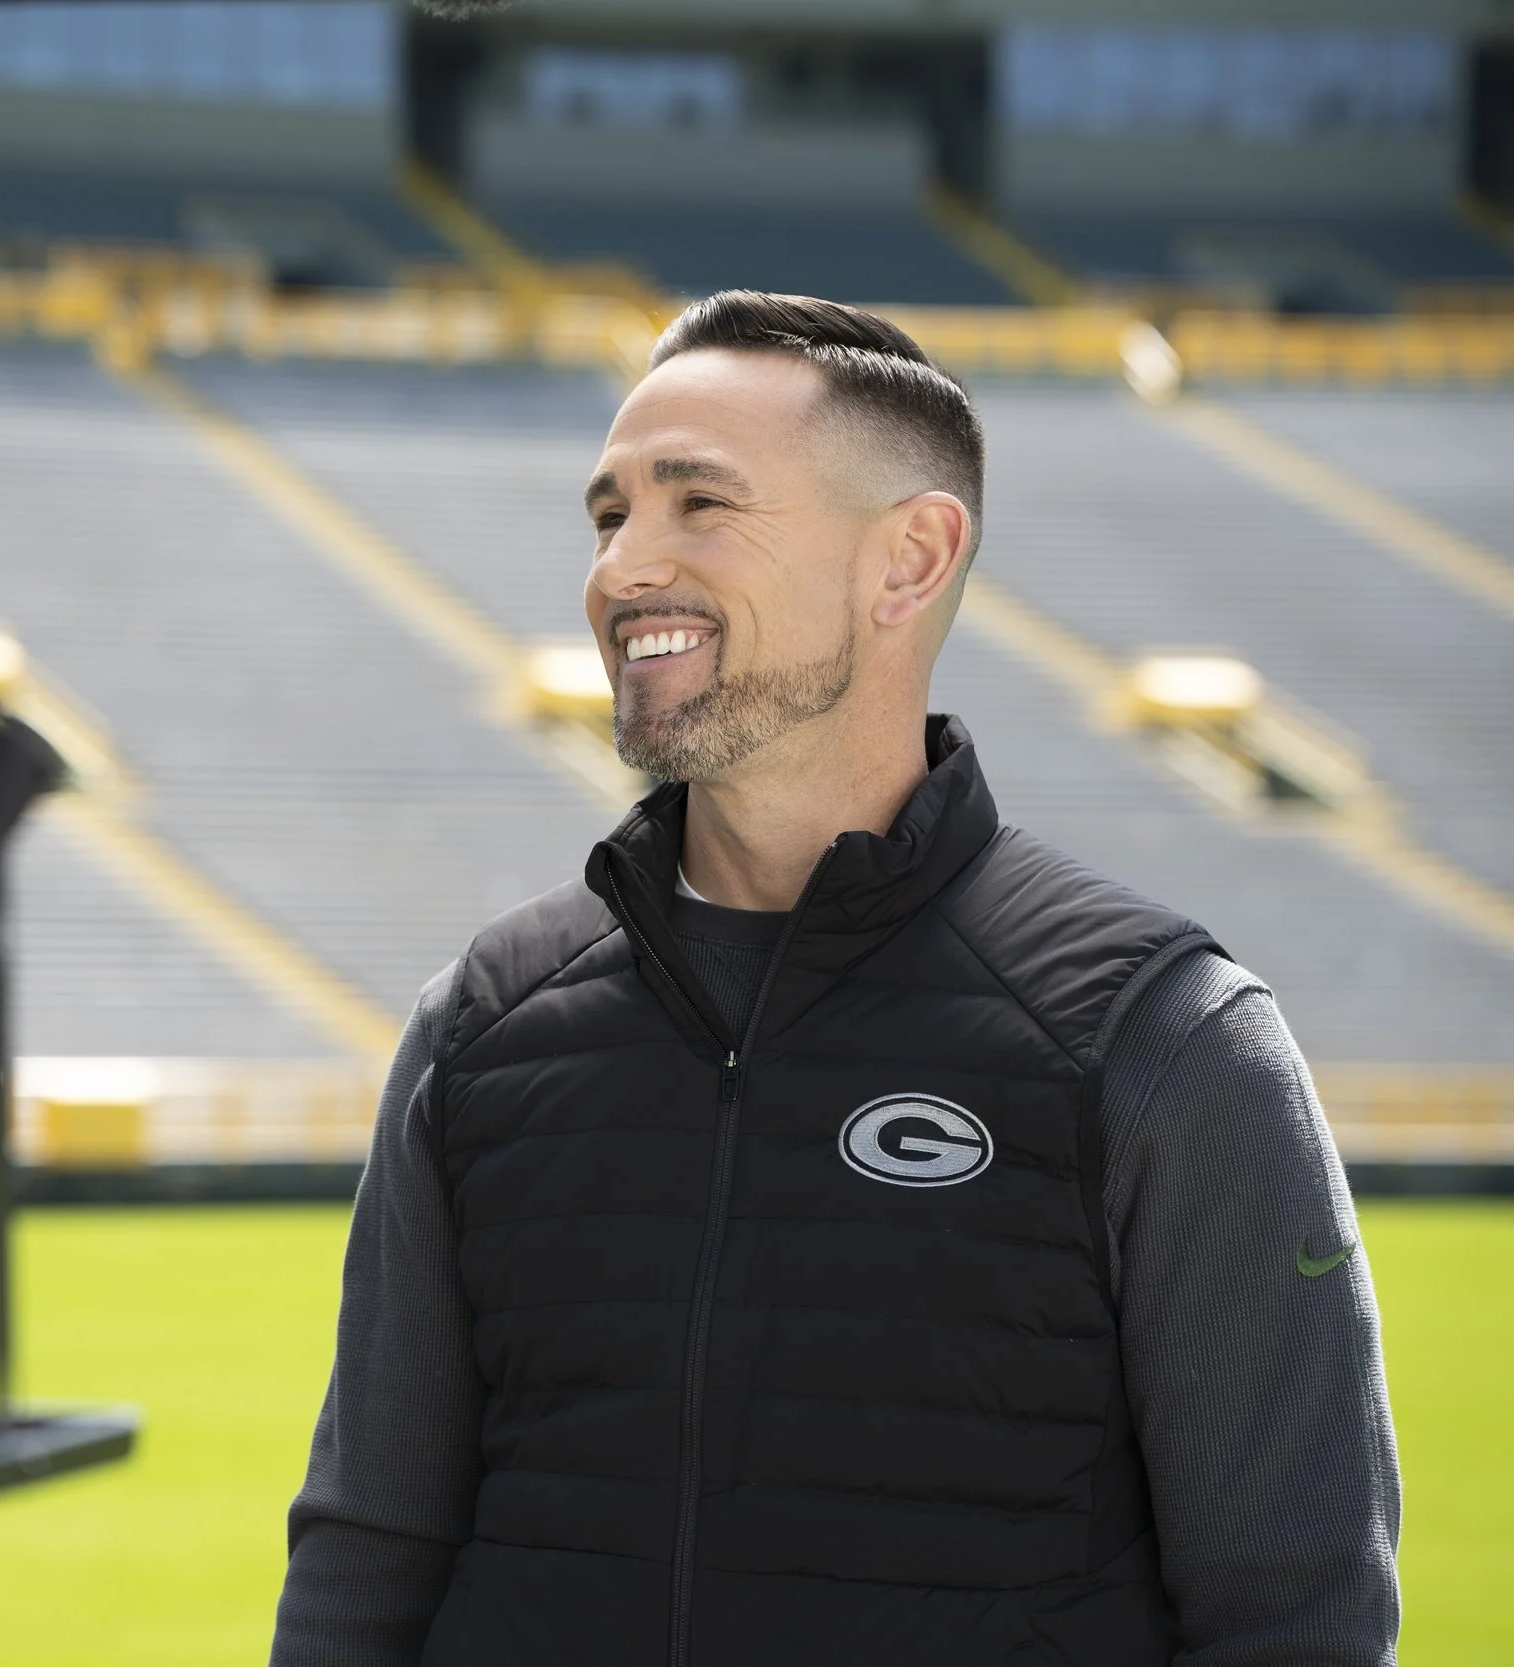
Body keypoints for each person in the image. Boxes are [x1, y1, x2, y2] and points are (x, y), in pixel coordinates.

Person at [270, 292, 1398, 1667]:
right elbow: (365, 1563)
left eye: (701, 503)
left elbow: (1298, 1619)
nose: (626, 566)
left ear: (909, 559)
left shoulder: (1165, 1043)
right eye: (610, 512)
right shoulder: (482, 1028)